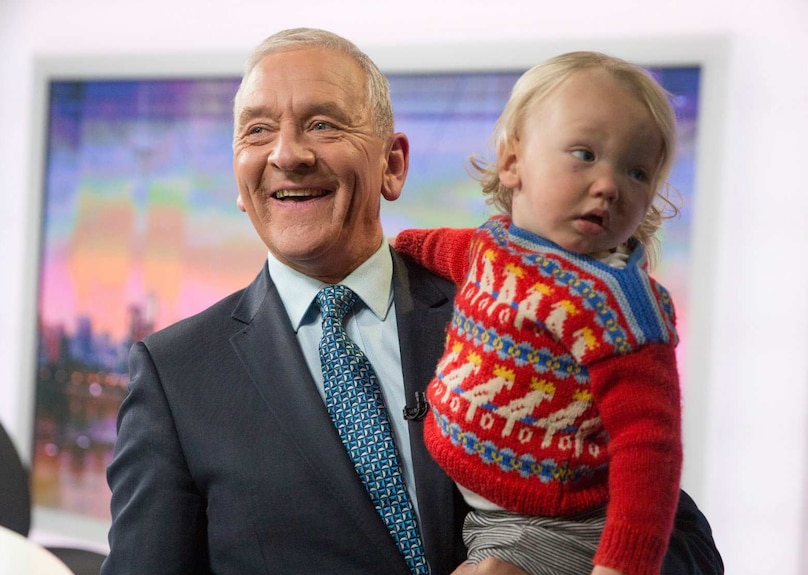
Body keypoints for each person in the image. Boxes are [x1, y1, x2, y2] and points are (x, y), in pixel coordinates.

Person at [101, 28, 723, 575]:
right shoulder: (175, 375)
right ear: (240, 178)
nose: (286, 154)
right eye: (258, 130)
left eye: (322, 123)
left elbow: (685, 546)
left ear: (393, 166)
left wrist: (546, 569)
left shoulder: (512, 309)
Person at [393, 51, 689, 575]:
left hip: (558, 526)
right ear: (512, 162)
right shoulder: (497, 245)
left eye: (637, 171)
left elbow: (650, 448)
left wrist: (622, 567)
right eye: (584, 153)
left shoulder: (621, 306)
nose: (609, 184)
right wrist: (398, 245)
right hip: (485, 513)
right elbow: (449, 249)